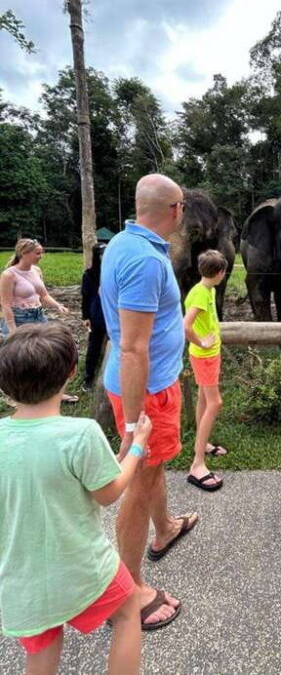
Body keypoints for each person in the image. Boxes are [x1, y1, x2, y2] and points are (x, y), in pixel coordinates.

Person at [0, 323, 153, 675]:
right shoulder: (80, 434)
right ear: (70, 372)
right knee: (129, 609)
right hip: (83, 570)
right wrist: (137, 446)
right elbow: (109, 493)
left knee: (41, 652)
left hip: (21, 583)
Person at [100, 173, 198, 631]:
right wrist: (133, 423)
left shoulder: (122, 242)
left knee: (154, 467)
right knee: (138, 480)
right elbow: (134, 347)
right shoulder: (145, 261)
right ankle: (130, 590)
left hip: (145, 385)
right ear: (176, 210)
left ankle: (165, 529)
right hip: (148, 392)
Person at [0, 238, 78, 404]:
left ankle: (53, 392)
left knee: (49, 352)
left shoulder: (36, 270)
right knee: (19, 358)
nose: (41, 256)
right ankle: (15, 396)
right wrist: (13, 330)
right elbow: (5, 305)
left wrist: (58, 306)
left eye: (41, 252)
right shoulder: (9, 275)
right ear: (24, 253)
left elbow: (43, 295)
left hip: (38, 315)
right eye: (37, 253)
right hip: (19, 318)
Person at [184, 249, 229, 491]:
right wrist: (202, 342)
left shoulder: (205, 290)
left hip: (209, 355)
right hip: (205, 356)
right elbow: (186, 325)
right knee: (215, 403)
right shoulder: (201, 294)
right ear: (220, 272)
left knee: (204, 397)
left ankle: (202, 445)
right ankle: (197, 464)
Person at [81, 242, 107, 391]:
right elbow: (85, 296)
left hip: (114, 313)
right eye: (102, 254)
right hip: (97, 313)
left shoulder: (114, 270)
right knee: (94, 347)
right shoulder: (90, 274)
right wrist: (85, 317)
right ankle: (88, 378)